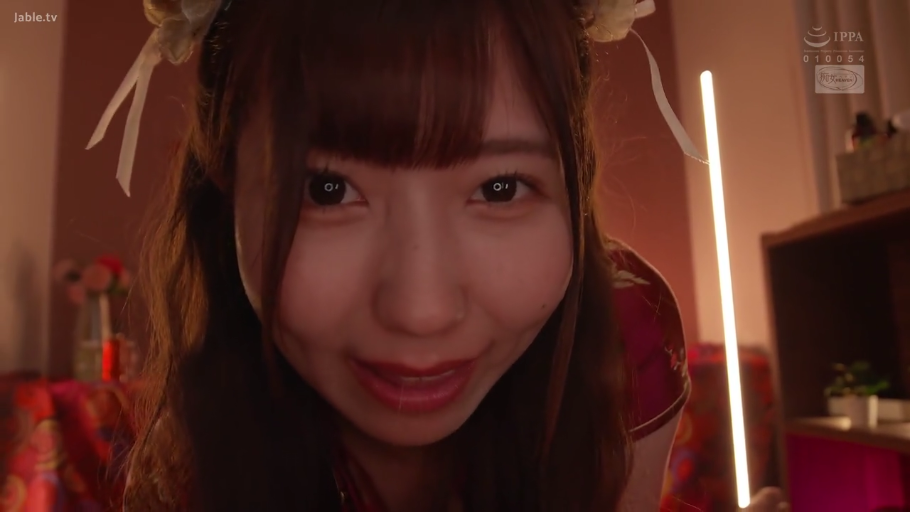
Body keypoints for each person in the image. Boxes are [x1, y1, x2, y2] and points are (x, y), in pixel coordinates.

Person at [88, 0, 787, 510]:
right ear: (225, 189)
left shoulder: (622, 339)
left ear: (573, 183)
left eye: (499, 187)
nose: (421, 312)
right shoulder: (210, 437)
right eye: (326, 190)